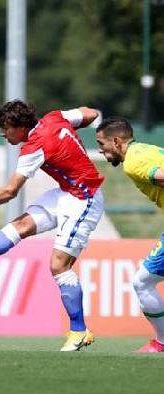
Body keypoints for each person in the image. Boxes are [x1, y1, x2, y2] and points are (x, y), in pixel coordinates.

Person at [0, 100, 104, 351]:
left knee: (59, 265)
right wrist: (73, 136)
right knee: (20, 225)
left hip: (85, 198)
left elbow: (10, 191)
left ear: (21, 126)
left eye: (6, 128)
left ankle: (79, 331)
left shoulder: (34, 147)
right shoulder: (55, 117)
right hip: (66, 192)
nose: (3, 133)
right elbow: (91, 113)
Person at [96, 117, 164, 353]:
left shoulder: (133, 162)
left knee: (142, 282)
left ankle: (162, 343)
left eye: (102, 144)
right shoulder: (147, 149)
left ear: (116, 141)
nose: (100, 150)